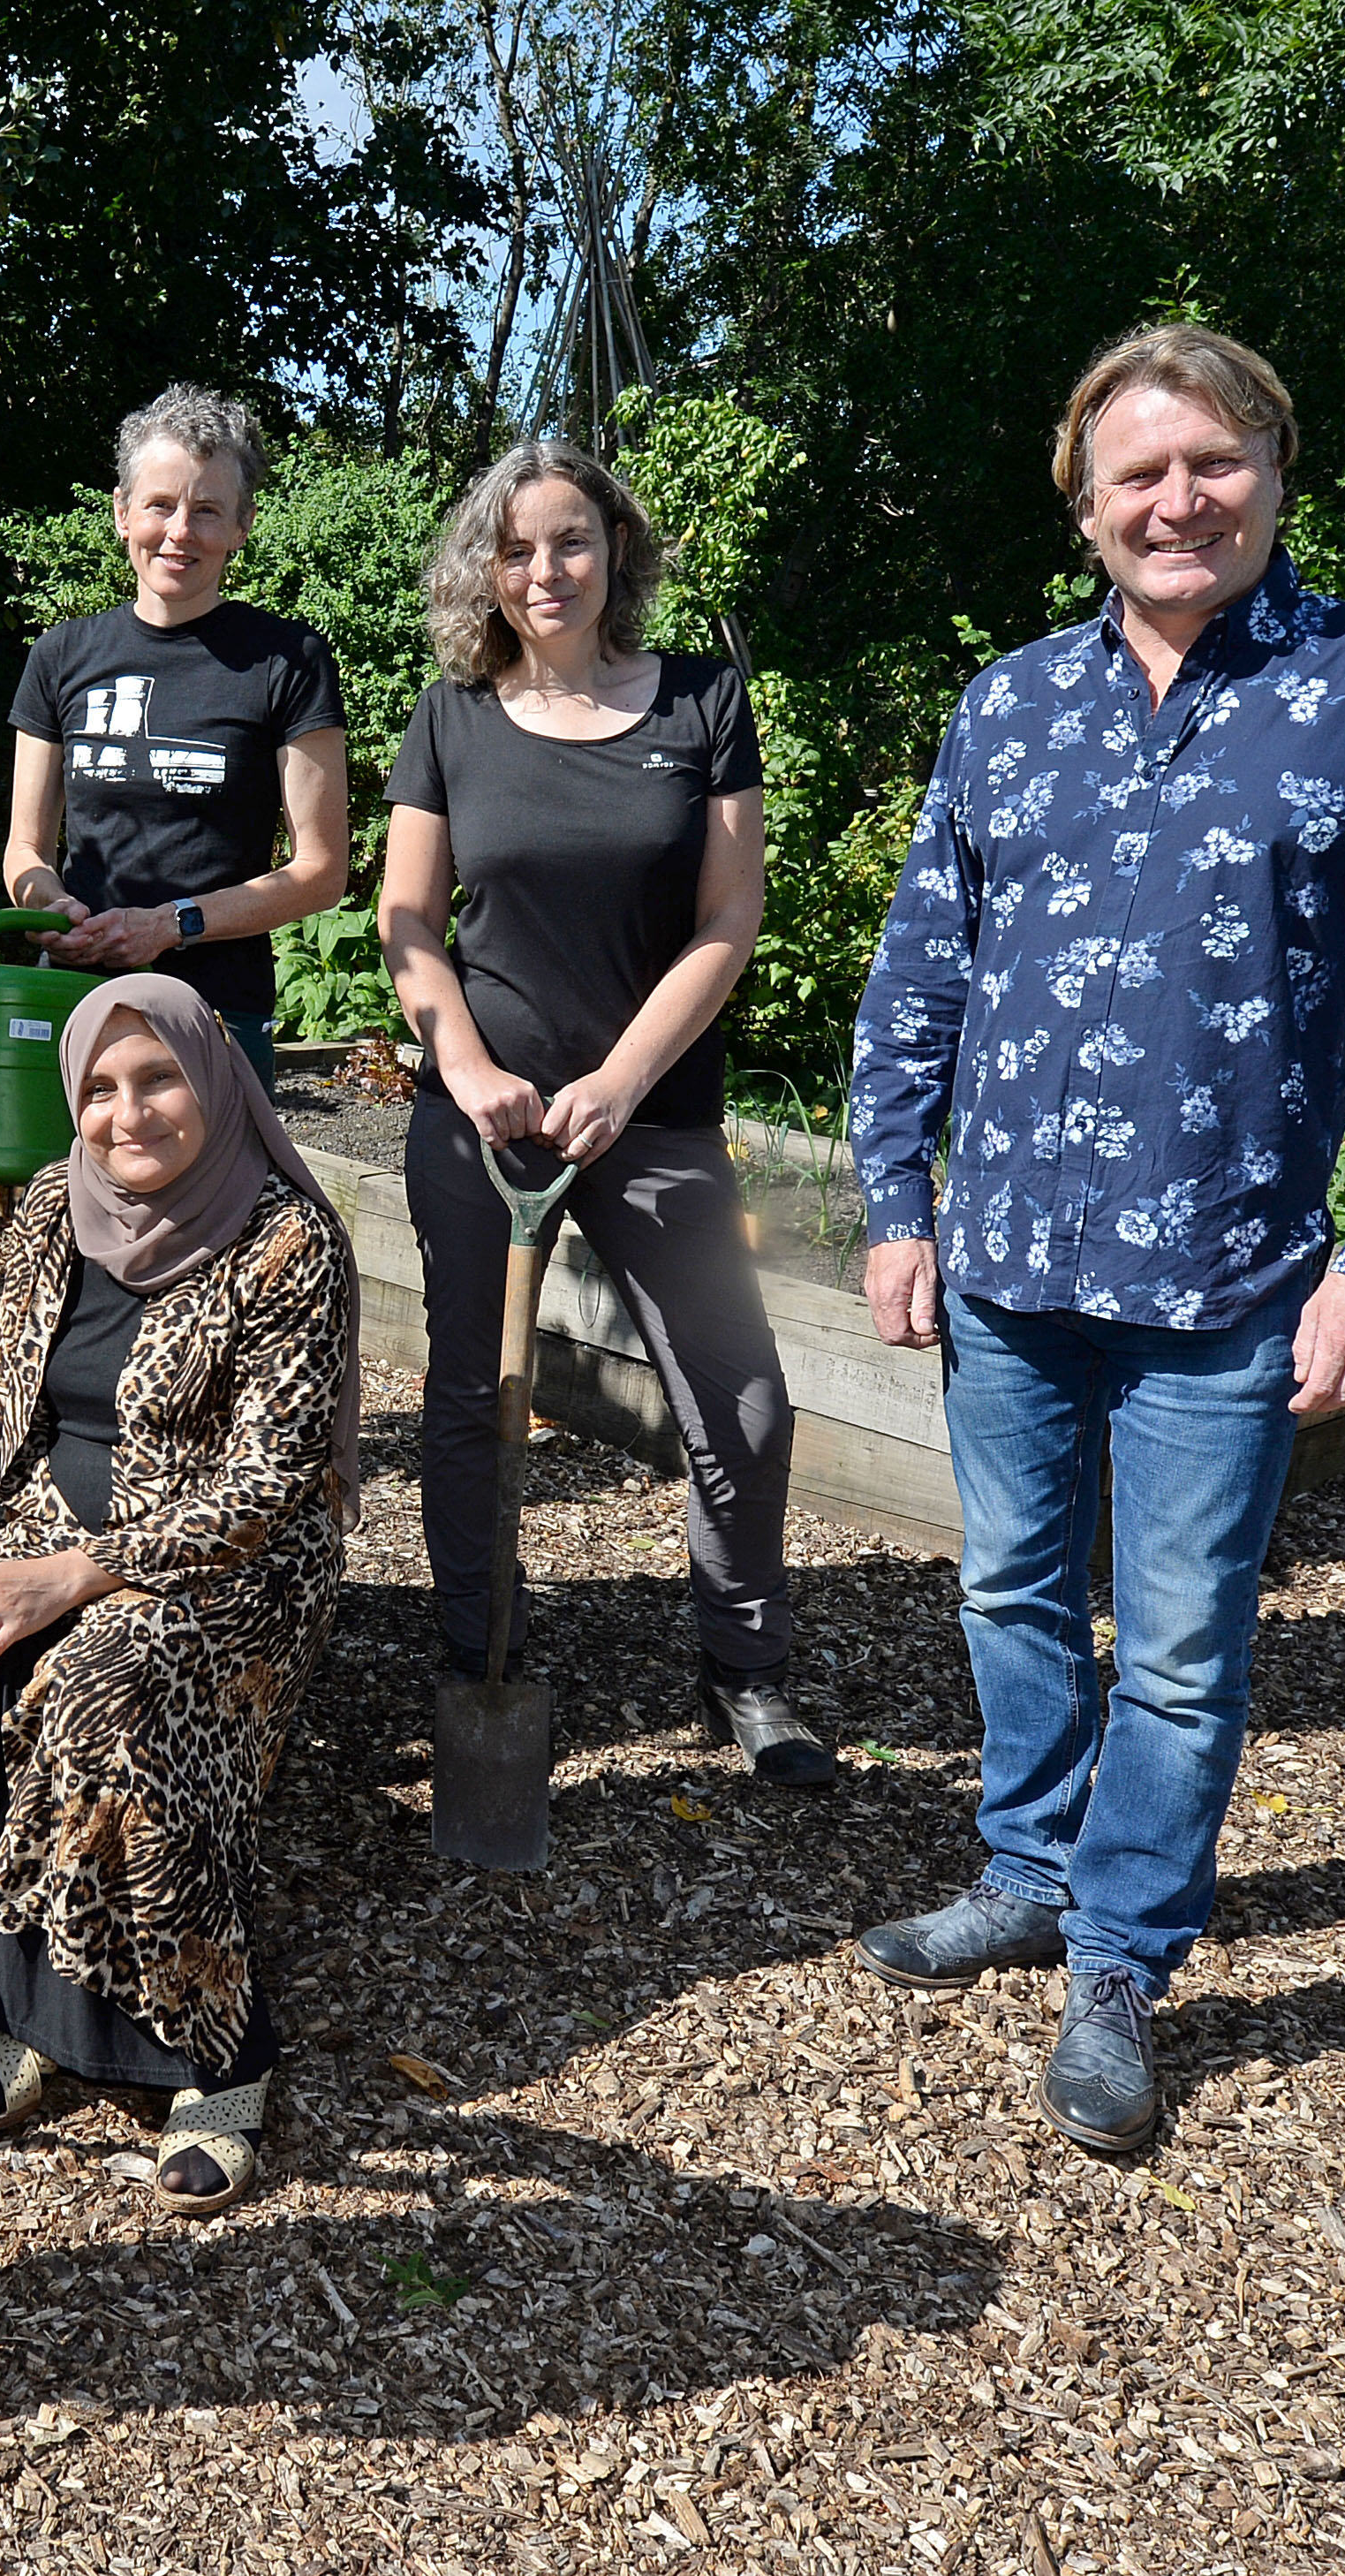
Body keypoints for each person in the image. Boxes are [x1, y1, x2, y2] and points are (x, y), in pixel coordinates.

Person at [847, 322, 1345, 2152]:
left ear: (1273, 475)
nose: (1175, 501)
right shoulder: (1007, 705)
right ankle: (1025, 1864)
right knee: (1002, 1591)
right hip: (1004, 1264)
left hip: (1226, 1281)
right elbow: (921, 969)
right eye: (1134, 474)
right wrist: (889, 1203)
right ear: (1082, 510)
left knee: (1177, 1645)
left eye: (1209, 463)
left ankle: (1120, 1956)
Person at [377, 437, 825, 1787]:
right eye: (514, 549)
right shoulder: (451, 714)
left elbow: (726, 921)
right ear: (485, 569)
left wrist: (621, 1082)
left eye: (568, 540)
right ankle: (477, 1649)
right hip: (483, 1115)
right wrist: (462, 1068)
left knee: (739, 1400)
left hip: (657, 1111)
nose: (543, 570)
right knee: (471, 1393)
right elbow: (405, 920)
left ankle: (745, 1672)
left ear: (612, 550)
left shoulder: (700, 703)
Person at [0, 974, 359, 2215]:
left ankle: (219, 2051)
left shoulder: (287, 1241)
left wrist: (75, 1576)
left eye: (154, 1079)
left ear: (212, 1080)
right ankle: (48, 2012)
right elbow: (0, 1418)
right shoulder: (52, 1206)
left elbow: (270, 1481)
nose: (124, 1113)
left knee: (105, 1682)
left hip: (235, 1564)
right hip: (62, 1527)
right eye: (97, 1086)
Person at [0, 383, 351, 1443]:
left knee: (165, 1243)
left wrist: (174, 927)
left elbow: (322, 871)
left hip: (205, 1014)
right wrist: (56, 904)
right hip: (62, 1003)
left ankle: (166, 1433)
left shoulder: (286, 663)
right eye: (161, 505)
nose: (181, 531)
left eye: (210, 510)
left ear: (242, 526)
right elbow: (23, 851)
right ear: (121, 513)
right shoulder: (63, 658)